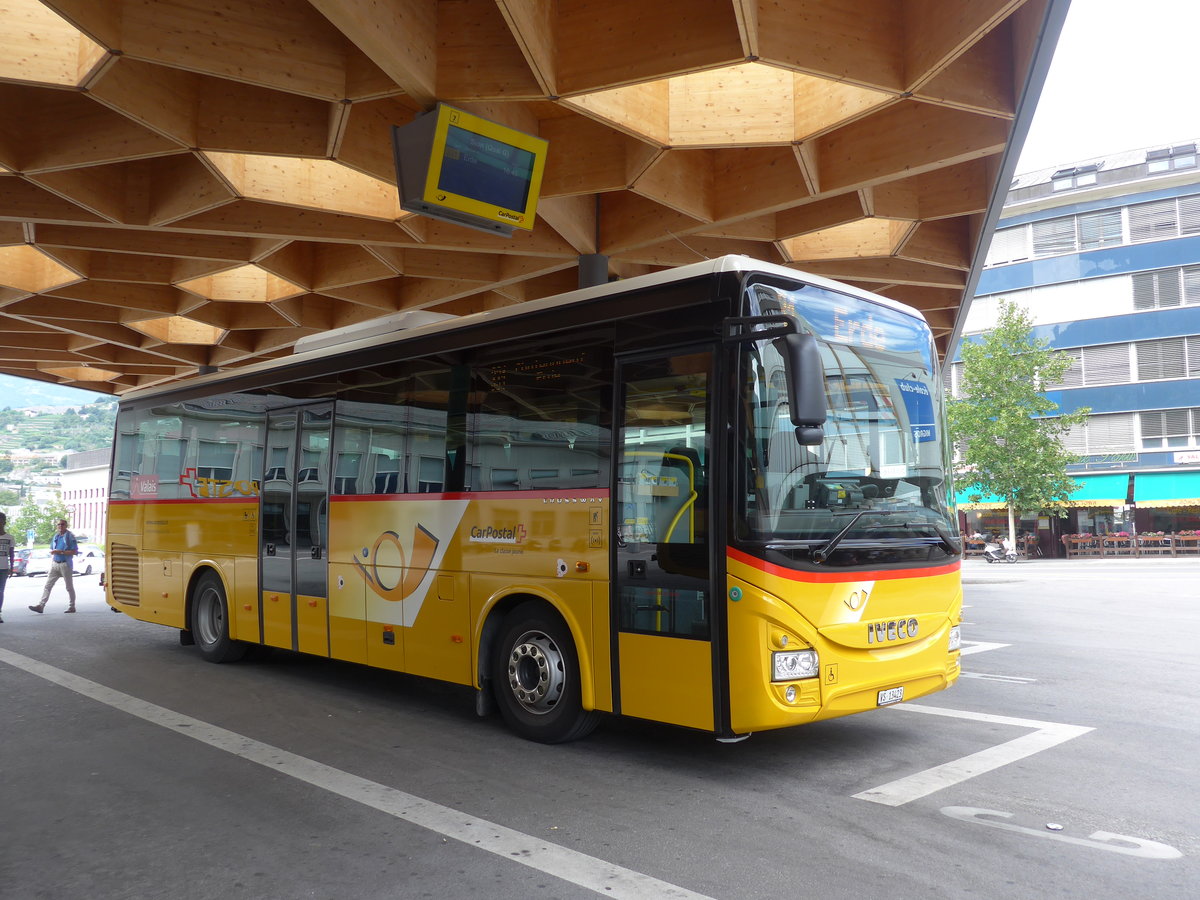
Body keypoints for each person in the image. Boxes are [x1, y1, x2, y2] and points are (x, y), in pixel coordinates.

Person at [29, 518, 78, 614]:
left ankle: (72, 606)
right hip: (55, 563)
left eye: (62, 524)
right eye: (59, 524)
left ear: (66, 526)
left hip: (65, 564)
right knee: (48, 585)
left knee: (69, 587)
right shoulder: (56, 536)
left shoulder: (70, 536)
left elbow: (74, 551)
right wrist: (55, 552)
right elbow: (52, 548)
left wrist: (61, 552)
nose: (60, 526)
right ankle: (41, 606)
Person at [0, 512, 13, 623]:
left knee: (0, 591)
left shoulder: (9, 538)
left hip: (4, 568)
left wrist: (12, 568)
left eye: (1, 520)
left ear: (4, 522)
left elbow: (11, 553)